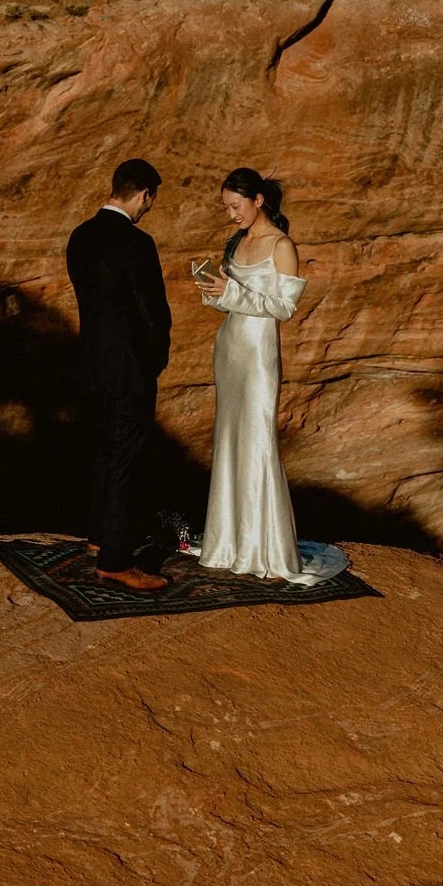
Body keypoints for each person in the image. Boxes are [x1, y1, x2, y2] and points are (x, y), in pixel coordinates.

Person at [195, 168, 310, 582]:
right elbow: (231, 303)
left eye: (236, 206)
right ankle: (227, 543)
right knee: (228, 437)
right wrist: (215, 292)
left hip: (260, 353)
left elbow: (284, 308)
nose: (231, 215)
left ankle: (265, 550)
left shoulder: (281, 245)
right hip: (228, 349)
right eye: (226, 208)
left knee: (258, 437)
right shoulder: (236, 243)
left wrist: (233, 293)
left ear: (258, 200)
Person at [67, 159, 171, 591]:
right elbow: (153, 314)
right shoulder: (137, 243)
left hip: (91, 364)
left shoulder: (80, 237)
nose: (148, 208)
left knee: (106, 449)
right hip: (130, 368)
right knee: (126, 457)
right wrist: (156, 359)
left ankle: (97, 536)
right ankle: (114, 558)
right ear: (143, 194)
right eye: (151, 200)